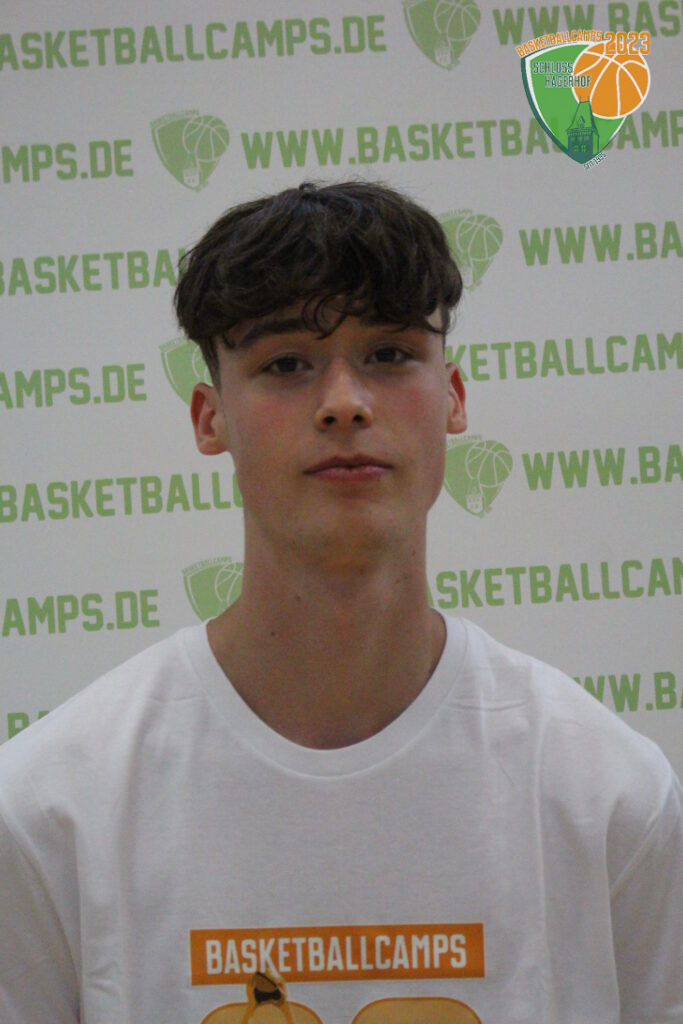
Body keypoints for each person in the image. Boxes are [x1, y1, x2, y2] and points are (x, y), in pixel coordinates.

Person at [0, 180, 680, 1024]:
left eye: (389, 354)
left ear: (453, 396)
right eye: (286, 363)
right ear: (209, 418)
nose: (344, 402)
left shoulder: (607, 796)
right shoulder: (51, 809)